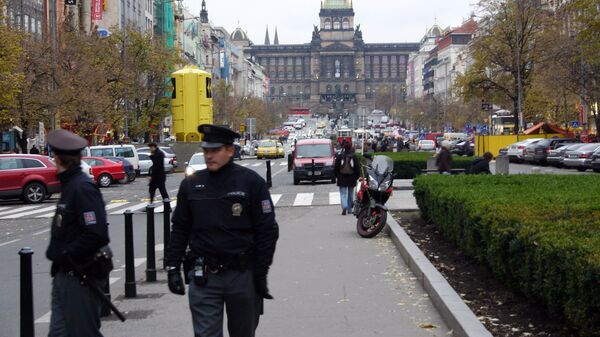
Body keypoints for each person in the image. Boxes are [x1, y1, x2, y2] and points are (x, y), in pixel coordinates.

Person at [165, 124, 279, 337]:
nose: (209, 155)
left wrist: (261, 270)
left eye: (215, 150)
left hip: (243, 274)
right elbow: (180, 228)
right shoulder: (191, 185)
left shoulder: (251, 182)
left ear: (230, 150)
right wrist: (173, 266)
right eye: (206, 150)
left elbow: (267, 230)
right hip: (205, 276)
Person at [45, 129, 111, 337]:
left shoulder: (81, 187)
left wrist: (67, 254)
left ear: (57, 157)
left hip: (80, 276)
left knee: (83, 333)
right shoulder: (71, 185)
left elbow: (96, 233)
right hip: (66, 274)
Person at [334, 142, 360, 215]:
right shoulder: (354, 157)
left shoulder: (340, 156)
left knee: (343, 193)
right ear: (351, 148)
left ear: (344, 148)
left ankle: (344, 206)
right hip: (352, 178)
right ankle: (349, 209)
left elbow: (336, 167)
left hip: (341, 177)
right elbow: (357, 168)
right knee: (350, 194)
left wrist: (336, 176)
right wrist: (357, 177)